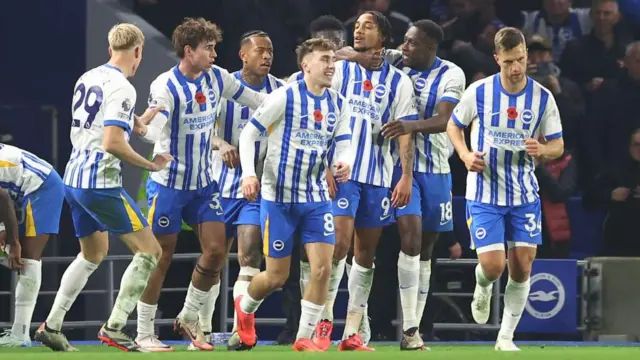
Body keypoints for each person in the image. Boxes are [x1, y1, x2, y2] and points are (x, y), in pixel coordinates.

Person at [132, 18, 267, 352]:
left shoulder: (217, 78)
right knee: (160, 258)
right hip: (168, 185)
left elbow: (257, 101)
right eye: (208, 48)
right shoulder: (166, 85)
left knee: (217, 251)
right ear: (188, 50)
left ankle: (189, 316)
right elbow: (153, 128)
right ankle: (144, 332)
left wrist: (295, 104)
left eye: (215, 47)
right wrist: (142, 129)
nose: (214, 53)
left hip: (204, 185)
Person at [35, 23, 171, 352]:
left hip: (74, 178)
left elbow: (101, 123)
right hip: (100, 182)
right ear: (138, 52)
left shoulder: (88, 77)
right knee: (150, 251)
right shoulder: (123, 87)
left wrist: (137, 121)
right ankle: (115, 327)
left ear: (110, 49)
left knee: (93, 253)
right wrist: (150, 164)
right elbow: (111, 143)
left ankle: (51, 326)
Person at [447, 27, 564, 351]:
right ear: (497, 58)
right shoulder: (480, 92)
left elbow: (558, 144)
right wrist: (465, 154)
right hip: (485, 192)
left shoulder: (542, 97)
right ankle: (482, 286)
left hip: (524, 193)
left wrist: (543, 150)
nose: (516, 68)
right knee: (494, 266)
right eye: (509, 61)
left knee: (523, 265)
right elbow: (454, 125)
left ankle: (505, 337)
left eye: (521, 59)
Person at [233, 37, 353, 352]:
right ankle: (244, 312)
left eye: (333, 60)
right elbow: (249, 133)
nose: (331, 65)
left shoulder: (337, 102)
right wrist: (249, 173)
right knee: (275, 277)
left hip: (316, 198)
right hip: (279, 199)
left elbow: (344, 141)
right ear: (306, 65)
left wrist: (344, 161)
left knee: (322, 268)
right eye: (324, 59)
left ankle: (304, 338)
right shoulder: (284, 97)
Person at [323, 11, 417, 352]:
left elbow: (405, 132)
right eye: (357, 25)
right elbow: (322, 115)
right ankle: (323, 324)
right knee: (339, 246)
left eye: (368, 26)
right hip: (343, 173)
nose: (359, 30)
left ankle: (353, 330)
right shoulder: (340, 69)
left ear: (384, 37)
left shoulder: (399, 82)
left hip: (378, 176)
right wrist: (323, 167)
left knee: (365, 254)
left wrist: (405, 175)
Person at [377, 19, 465, 350]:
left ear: (430, 48)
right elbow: (360, 54)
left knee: (425, 251)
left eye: (412, 43)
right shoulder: (397, 59)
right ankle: (410, 330)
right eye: (404, 41)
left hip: (438, 171)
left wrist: (408, 126)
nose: (405, 47)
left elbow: (444, 120)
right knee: (410, 240)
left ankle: (414, 325)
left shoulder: (452, 74)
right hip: (402, 169)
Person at [200, 30, 285, 351]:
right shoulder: (223, 88)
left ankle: (240, 330)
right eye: (260, 51)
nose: (266, 56)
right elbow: (200, 129)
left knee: (249, 254)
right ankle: (203, 329)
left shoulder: (280, 90)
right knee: (213, 257)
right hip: (219, 186)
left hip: (257, 187)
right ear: (243, 55)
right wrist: (221, 144)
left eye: (271, 51)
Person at [0, 145, 63, 347]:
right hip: (20, 189)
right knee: (21, 257)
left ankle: (20, 334)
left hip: (42, 186)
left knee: (28, 257)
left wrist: (14, 241)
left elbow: (2, 198)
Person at [288, 15, 347, 83]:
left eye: (336, 41)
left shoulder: (355, 74)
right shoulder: (296, 78)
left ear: (343, 44)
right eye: (324, 42)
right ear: (313, 44)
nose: (331, 47)